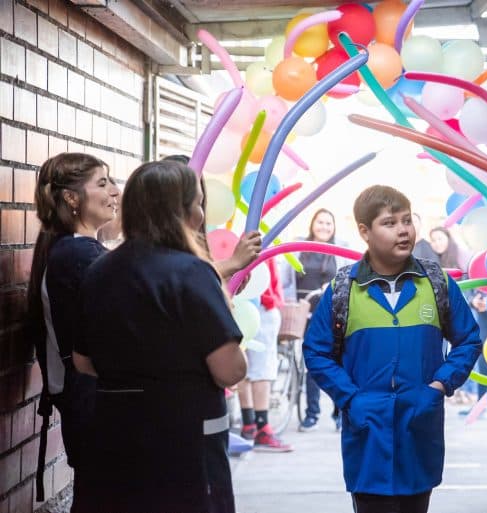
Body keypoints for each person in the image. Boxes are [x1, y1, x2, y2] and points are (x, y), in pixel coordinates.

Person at [72, 160, 247, 513]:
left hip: (113, 433)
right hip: (183, 438)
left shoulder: (99, 270)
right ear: (184, 212)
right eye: (198, 203)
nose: (201, 213)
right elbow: (230, 370)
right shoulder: (192, 272)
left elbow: (83, 361)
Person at [302, 185, 482, 513]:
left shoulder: (437, 283)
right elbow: (316, 351)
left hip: (419, 433)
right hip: (367, 439)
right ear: (364, 231)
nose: (403, 230)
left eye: (406, 220)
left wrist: (439, 385)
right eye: (389, 223)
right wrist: (351, 398)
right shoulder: (344, 289)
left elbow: (468, 339)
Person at [26, 152, 120, 505]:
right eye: (103, 183)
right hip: (92, 400)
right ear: (71, 198)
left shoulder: (72, 250)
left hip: (87, 399)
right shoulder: (79, 255)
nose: (114, 191)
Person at [293, 208, 345, 432]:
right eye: (320, 222)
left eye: (328, 223)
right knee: (311, 365)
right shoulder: (299, 248)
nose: (324, 226)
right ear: (312, 224)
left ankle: (339, 413)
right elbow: (288, 281)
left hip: (333, 316)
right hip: (305, 314)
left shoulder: (340, 250)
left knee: (337, 365)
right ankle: (311, 413)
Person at [238, 257, 293, 451]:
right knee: (262, 369)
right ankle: (262, 428)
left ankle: (248, 425)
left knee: (242, 364)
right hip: (262, 304)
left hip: (237, 303)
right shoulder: (260, 242)